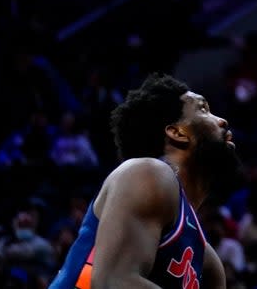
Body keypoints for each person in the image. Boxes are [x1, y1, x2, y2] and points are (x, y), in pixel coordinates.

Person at [48, 72, 243, 289]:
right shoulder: (147, 172)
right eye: (203, 109)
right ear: (177, 132)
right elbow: (114, 282)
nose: (222, 120)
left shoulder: (207, 260)